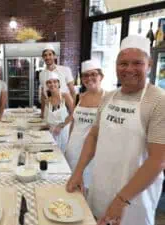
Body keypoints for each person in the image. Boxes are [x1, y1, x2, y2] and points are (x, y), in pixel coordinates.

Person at [66, 35, 165, 225]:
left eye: (137, 63)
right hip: (101, 185)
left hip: (134, 197)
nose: (129, 69)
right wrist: (78, 171)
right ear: (116, 66)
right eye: (123, 63)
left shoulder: (158, 100)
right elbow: (94, 136)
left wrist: (121, 200)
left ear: (149, 64)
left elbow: (158, 160)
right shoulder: (109, 97)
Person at [65, 59, 105, 193]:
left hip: (92, 153)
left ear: (101, 76)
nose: (89, 78)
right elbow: (74, 123)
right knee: (72, 187)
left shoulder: (108, 99)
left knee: (88, 188)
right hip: (73, 148)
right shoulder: (79, 97)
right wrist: (67, 145)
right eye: (85, 75)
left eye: (93, 74)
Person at [39, 44, 75, 118]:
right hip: (49, 107)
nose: (47, 57)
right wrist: (42, 112)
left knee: (62, 127)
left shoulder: (65, 70)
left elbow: (72, 91)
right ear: (43, 57)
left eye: (50, 54)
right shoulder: (41, 74)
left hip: (64, 107)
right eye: (45, 55)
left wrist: (71, 109)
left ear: (54, 56)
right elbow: (43, 94)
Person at [44, 71, 74, 153]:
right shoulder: (47, 101)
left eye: (55, 82)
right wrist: (45, 127)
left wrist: (60, 126)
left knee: (62, 155)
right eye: (49, 82)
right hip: (51, 132)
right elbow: (48, 119)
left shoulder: (65, 96)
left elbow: (73, 114)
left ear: (59, 83)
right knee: (51, 154)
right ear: (47, 85)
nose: (52, 84)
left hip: (63, 131)